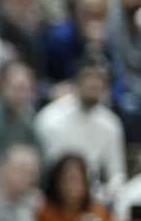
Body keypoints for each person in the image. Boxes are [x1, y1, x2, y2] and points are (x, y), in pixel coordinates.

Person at [36, 57, 128, 201]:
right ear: (76, 82)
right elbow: (44, 170)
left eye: (100, 79)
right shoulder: (50, 118)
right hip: (55, 195)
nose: (94, 83)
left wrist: (110, 192)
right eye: (89, 77)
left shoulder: (111, 123)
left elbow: (117, 173)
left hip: (95, 198)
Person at [0, 59, 42, 157]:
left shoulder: (29, 117)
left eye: (26, 89)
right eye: (17, 89)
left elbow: (37, 154)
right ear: (3, 87)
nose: (21, 95)